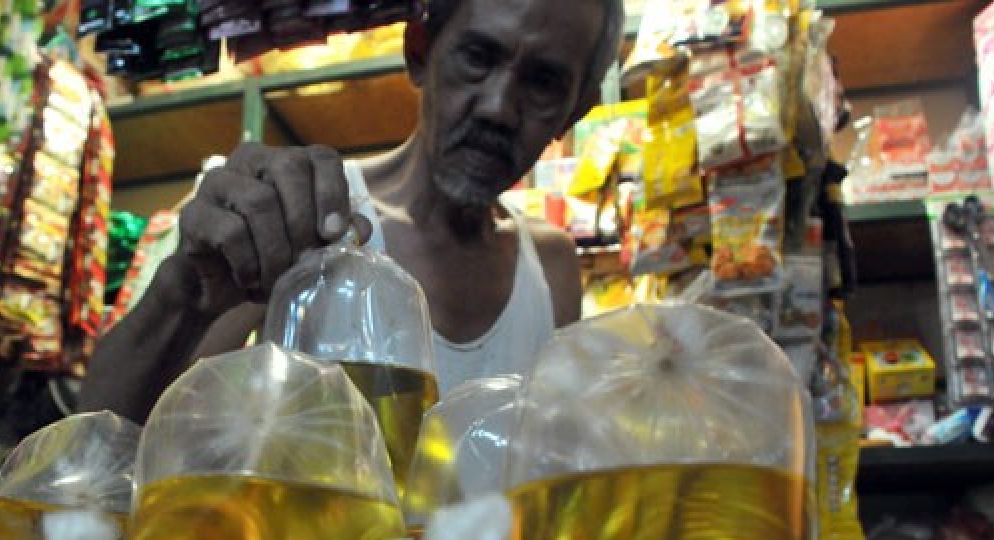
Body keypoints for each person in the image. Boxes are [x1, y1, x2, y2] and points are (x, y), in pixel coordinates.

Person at [81, 0, 623, 423]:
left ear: (573, 111)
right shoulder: (308, 218)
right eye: (478, 58)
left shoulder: (551, 269)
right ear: (419, 52)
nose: (499, 107)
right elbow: (104, 431)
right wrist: (182, 297)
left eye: (544, 82)